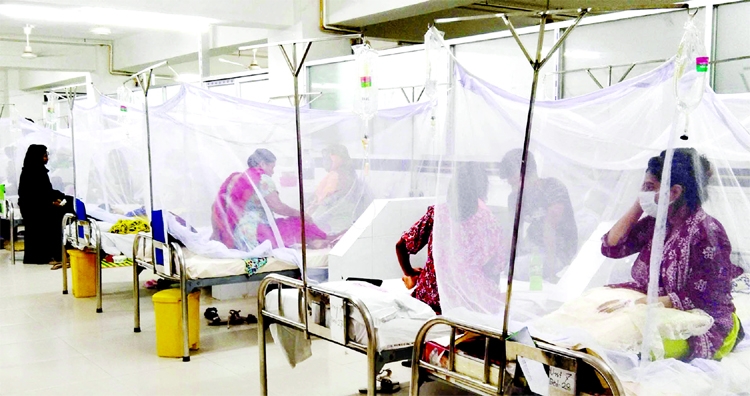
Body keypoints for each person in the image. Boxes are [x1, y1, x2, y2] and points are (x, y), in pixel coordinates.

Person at [600, 148, 744, 361]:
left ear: (675, 192)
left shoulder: (708, 231)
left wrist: (637, 306)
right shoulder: (657, 224)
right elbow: (612, 246)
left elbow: (703, 296)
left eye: (650, 187)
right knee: (595, 311)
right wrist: (640, 203)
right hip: (659, 305)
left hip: (702, 319)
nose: (644, 193)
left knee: (626, 340)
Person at [397, 163, 505, 314]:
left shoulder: (437, 214)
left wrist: (410, 273)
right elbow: (496, 267)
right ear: (482, 187)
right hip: (470, 299)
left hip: (433, 297)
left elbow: (401, 246)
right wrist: (488, 293)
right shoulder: (489, 221)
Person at [211, 148, 329, 251]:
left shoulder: (236, 178)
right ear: (262, 164)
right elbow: (278, 207)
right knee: (298, 222)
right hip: (258, 234)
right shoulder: (262, 179)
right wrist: (301, 214)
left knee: (286, 224)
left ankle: (313, 242)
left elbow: (216, 206)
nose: (273, 172)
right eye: (272, 167)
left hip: (237, 235)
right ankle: (316, 241)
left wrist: (217, 234)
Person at [498, 149, 578, 281]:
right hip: (533, 249)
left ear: (527, 174)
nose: (512, 188)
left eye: (513, 182)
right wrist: (500, 260)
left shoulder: (553, 188)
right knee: (504, 267)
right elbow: (512, 234)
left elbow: (550, 229)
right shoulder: (514, 198)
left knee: (513, 271)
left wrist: (551, 274)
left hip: (559, 252)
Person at [18, 144, 72, 265]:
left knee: (69, 203)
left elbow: (46, 191)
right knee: (59, 216)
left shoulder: (38, 171)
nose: (46, 158)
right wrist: (51, 203)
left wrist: (60, 196)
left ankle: (60, 251)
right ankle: (54, 254)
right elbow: (32, 197)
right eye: (44, 156)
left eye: (46, 155)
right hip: (34, 209)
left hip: (40, 206)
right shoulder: (30, 173)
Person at [309, 144, 371, 234]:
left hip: (337, 223)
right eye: (323, 159)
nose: (324, 162)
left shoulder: (341, 176)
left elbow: (332, 203)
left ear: (336, 160)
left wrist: (313, 212)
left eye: (327, 159)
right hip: (332, 220)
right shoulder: (339, 174)